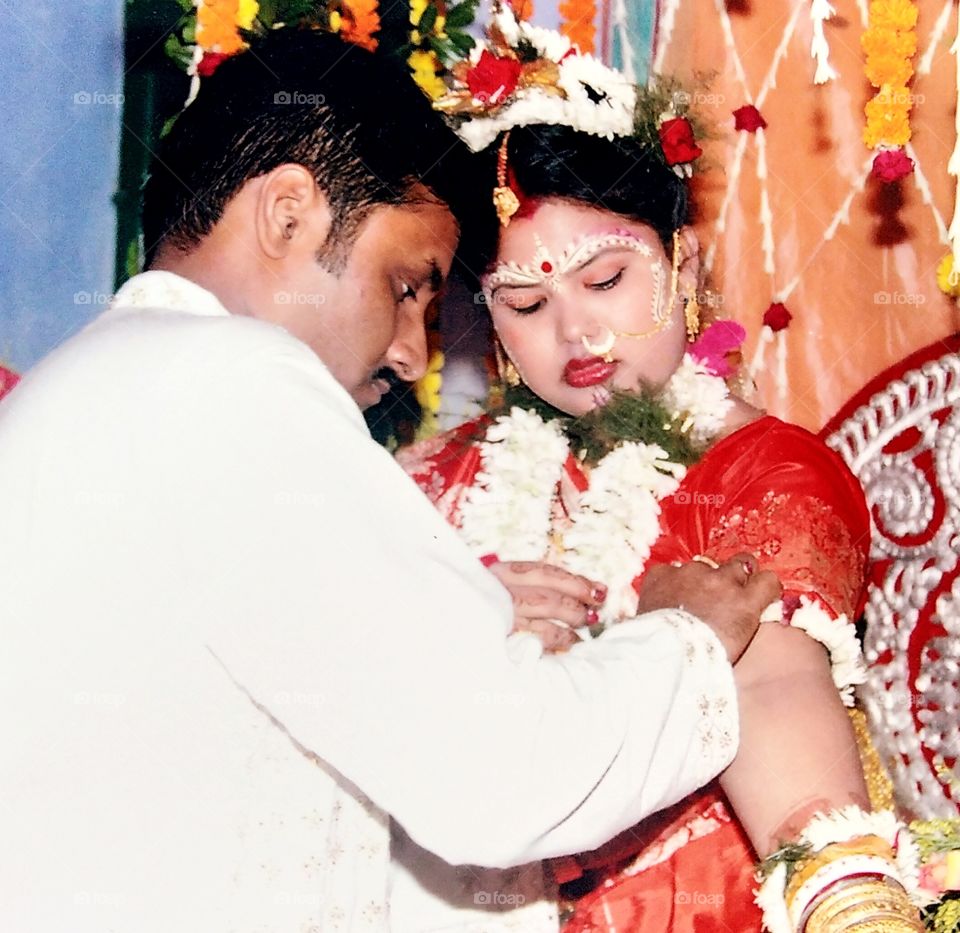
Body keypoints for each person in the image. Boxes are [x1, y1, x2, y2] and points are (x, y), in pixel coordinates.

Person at [0, 28, 779, 933]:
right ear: (288, 213)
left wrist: (455, 626)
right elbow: (501, 770)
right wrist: (687, 636)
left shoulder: (88, 388)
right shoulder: (234, 380)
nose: (413, 353)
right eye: (408, 285)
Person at [396, 7, 926, 932]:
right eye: (524, 301)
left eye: (606, 280)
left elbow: (765, 684)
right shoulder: (439, 482)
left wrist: (851, 904)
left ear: (680, 258)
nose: (576, 332)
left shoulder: (765, 473)